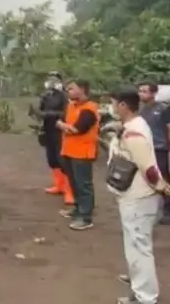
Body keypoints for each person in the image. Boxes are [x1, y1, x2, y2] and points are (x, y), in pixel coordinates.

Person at [108, 86, 170, 304]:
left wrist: (160, 185)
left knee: (139, 247)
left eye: (114, 103)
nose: (112, 107)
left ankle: (145, 297)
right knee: (136, 244)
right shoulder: (134, 125)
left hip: (138, 197)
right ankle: (139, 285)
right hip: (132, 195)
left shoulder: (134, 131)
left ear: (124, 105)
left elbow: (147, 166)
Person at [57, 79, 100, 230]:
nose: (68, 91)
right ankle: (77, 208)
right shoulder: (71, 106)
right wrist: (64, 125)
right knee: (74, 183)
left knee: (84, 185)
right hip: (69, 150)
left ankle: (86, 216)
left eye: (71, 88)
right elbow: (66, 123)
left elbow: (77, 129)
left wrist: (62, 125)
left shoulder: (89, 109)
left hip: (83, 153)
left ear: (82, 89)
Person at [137, 82, 170, 225]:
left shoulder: (162, 108)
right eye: (140, 91)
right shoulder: (140, 110)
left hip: (159, 147)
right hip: (144, 148)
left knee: (163, 178)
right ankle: (150, 209)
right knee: (145, 177)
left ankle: (169, 211)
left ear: (153, 93)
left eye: (145, 91)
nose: (141, 94)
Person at [34, 71, 70, 203]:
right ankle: (59, 186)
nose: (51, 81)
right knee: (52, 158)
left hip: (61, 130)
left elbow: (65, 113)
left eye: (54, 78)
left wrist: (49, 114)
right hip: (48, 129)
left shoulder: (64, 96)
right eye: (49, 78)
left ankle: (69, 190)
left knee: (62, 159)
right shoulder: (46, 95)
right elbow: (40, 111)